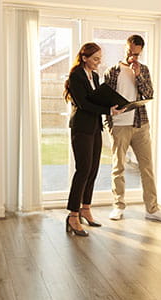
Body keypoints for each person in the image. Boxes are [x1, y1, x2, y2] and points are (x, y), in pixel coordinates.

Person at [103, 35, 161, 223]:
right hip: (119, 126)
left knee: (147, 168)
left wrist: (138, 75)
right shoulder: (112, 71)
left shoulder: (143, 70)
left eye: (137, 54)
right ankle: (118, 206)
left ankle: (152, 209)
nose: (133, 57)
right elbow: (105, 100)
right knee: (118, 167)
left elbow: (149, 94)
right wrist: (108, 122)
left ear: (140, 51)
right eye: (130, 52)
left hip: (140, 124)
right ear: (125, 48)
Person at [63, 43, 124, 236]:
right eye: (96, 59)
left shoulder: (95, 76)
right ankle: (73, 216)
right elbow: (83, 103)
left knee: (93, 170)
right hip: (81, 127)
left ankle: (85, 209)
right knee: (83, 170)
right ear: (84, 58)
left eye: (100, 58)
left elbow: (96, 99)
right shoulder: (76, 76)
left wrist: (114, 103)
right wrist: (108, 110)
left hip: (95, 126)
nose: (99, 62)